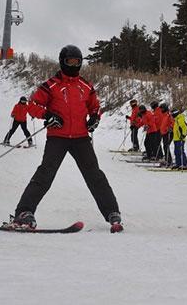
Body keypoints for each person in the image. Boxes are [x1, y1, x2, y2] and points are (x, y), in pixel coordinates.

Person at [12, 45, 122, 232]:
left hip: (80, 138)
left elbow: (95, 106)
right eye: (70, 61)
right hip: (58, 137)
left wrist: (95, 118)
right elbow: (33, 105)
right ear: (63, 62)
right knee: (45, 174)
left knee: (94, 175)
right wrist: (48, 116)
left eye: (77, 62)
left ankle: (112, 212)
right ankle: (24, 212)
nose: (74, 65)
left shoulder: (85, 86)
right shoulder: (51, 85)